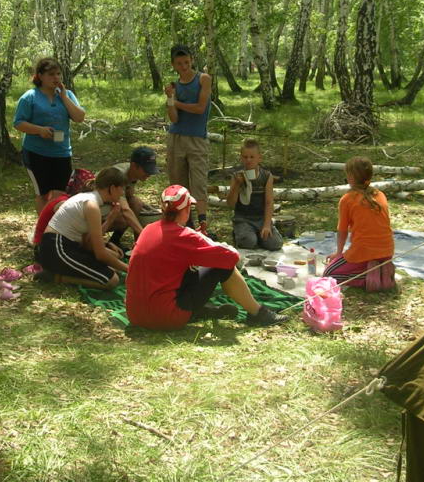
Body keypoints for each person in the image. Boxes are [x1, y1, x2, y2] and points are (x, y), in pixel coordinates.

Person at [125, 184, 289, 330]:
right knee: (221, 265)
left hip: (136, 315)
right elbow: (231, 257)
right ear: (187, 209)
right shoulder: (185, 236)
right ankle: (257, 313)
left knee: (189, 269)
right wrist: (206, 241)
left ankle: (202, 310)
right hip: (167, 317)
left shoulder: (148, 230)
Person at [13, 57, 85, 214]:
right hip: (36, 153)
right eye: (51, 74)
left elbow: (79, 117)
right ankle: (43, 231)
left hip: (62, 152)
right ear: (40, 76)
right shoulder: (30, 97)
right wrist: (39, 130)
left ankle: (54, 229)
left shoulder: (67, 95)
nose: (56, 78)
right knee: (43, 193)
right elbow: (18, 123)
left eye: (59, 74)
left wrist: (64, 97)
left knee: (60, 194)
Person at [38, 167, 129, 289]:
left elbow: (89, 241)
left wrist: (111, 219)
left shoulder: (91, 199)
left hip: (69, 246)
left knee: (113, 264)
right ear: (112, 188)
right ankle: (56, 277)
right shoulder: (91, 205)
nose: (123, 193)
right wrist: (130, 269)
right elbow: (100, 253)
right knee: (111, 280)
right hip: (56, 249)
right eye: (121, 188)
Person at [323, 156, 394, 289]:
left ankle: (371, 278)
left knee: (329, 274)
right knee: (338, 268)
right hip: (387, 251)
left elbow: (342, 230)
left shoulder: (347, 199)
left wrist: (339, 254)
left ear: (350, 177)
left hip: (363, 251)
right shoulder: (380, 194)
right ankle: (380, 269)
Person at [164, 45, 212, 235]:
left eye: (186, 62)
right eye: (179, 63)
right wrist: (169, 99)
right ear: (173, 65)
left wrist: (177, 103)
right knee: (178, 183)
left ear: (192, 60)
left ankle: (203, 224)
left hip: (197, 138)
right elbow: (174, 118)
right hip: (176, 137)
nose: (183, 66)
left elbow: (200, 108)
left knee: (198, 182)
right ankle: (185, 224)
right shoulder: (174, 85)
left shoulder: (203, 79)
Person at [225, 138, 283, 251]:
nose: (248, 160)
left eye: (252, 157)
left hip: (261, 218)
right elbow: (230, 203)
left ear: (259, 158)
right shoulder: (237, 175)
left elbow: (269, 202)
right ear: (241, 158)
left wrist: (266, 225)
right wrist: (237, 184)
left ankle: (258, 236)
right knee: (249, 242)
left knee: (275, 244)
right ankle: (244, 234)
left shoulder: (266, 176)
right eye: (245, 157)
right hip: (243, 218)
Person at [106, 146, 162, 247]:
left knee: (136, 203)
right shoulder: (119, 175)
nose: (149, 174)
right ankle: (101, 242)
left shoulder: (132, 174)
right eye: (146, 170)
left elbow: (129, 195)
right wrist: (143, 235)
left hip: (110, 205)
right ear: (134, 165)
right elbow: (125, 210)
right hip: (96, 210)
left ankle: (115, 240)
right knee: (123, 219)